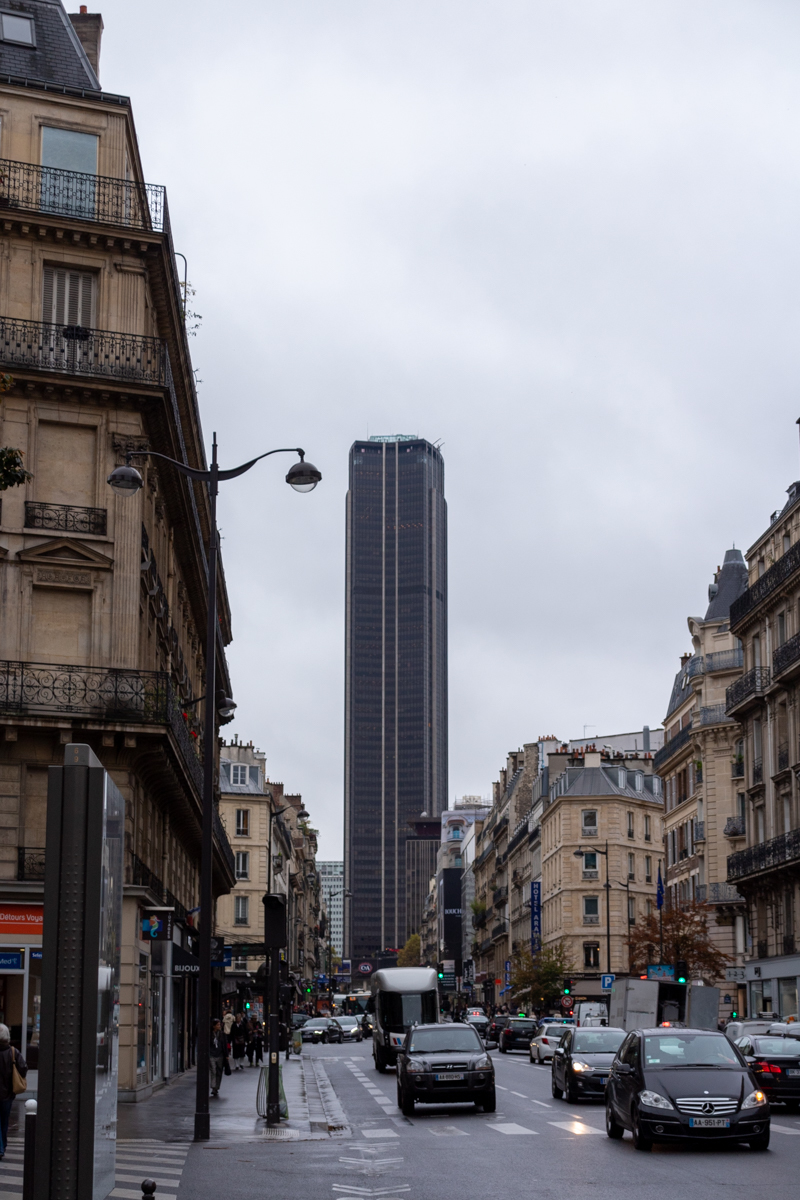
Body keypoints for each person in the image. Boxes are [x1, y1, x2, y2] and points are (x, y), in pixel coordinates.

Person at [0, 1025, 26, 1159]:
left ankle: (1, 1147)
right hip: (8, 1094)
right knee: (4, 1121)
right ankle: (2, 1145)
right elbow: (24, 1068)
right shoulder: (13, 1052)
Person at [209, 1019, 228, 1097]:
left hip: (220, 1055)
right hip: (212, 1054)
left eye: (220, 1025)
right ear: (214, 1026)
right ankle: (213, 1086)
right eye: (217, 1025)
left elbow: (224, 1045)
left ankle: (216, 1087)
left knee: (219, 1071)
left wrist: (226, 1055)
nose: (219, 1026)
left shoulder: (222, 1034)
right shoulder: (210, 1034)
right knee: (213, 1070)